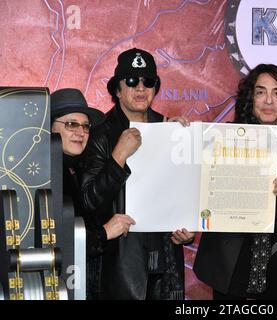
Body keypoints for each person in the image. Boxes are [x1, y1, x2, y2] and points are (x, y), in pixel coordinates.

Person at [193, 64, 277, 299]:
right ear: (250, 99)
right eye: (261, 92)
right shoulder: (225, 139)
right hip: (231, 261)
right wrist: (180, 133)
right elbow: (201, 187)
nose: (269, 101)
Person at [80, 48, 195, 300]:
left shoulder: (172, 130)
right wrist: (118, 156)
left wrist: (187, 229)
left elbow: (184, 193)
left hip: (166, 260)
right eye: (132, 81)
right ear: (118, 90)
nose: (141, 88)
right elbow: (89, 202)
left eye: (148, 81)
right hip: (120, 263)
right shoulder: (100, 135)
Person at [50, 88, 135, 300]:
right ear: (49, 127)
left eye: (85, 126)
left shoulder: (78, 168)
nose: (81, 132)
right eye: (71, 124)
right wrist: (105, 233)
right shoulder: (44, 174)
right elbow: (54, 244)